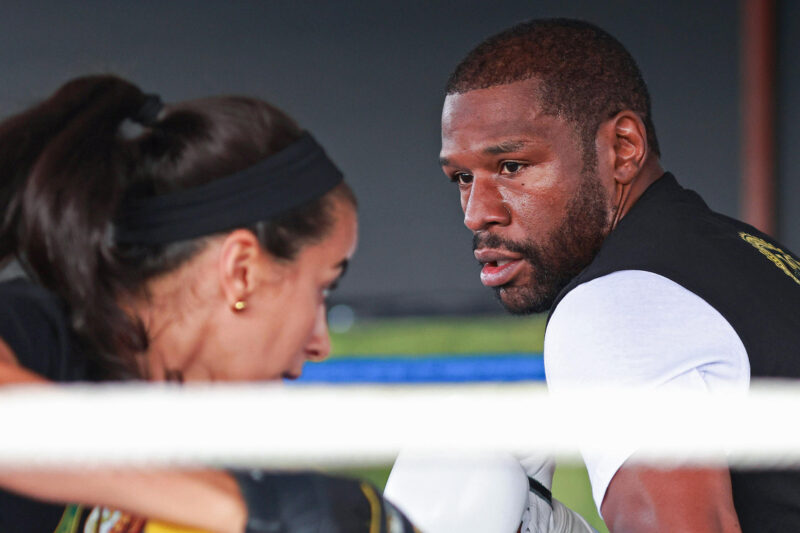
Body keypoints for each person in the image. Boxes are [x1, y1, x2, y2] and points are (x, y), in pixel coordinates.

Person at [0, 75, 416, 533]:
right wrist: (254, 509)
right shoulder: (36, 331)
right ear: (241, 271)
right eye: (322, 288)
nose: (321, 345)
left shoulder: (176, 440)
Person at [433, 18, 800, 533]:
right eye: (462, 177)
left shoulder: (621, 302)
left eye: (512, 166)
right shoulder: (744, 255)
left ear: (623, 148)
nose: (477, 214)